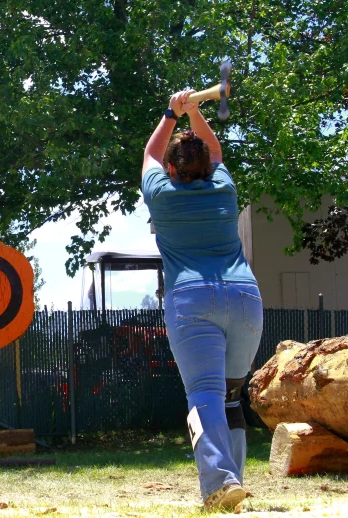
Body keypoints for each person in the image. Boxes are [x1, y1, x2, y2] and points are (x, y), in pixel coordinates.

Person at [141, 90, 263, 510]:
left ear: (172, 170)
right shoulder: (224, 189)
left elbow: (150, 153)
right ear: (208, 167)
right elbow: (215, 150)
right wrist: (194, 112)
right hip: (244, 297)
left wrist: (171, 113)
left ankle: (220, 482)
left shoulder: (161, 193)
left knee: (204, 395)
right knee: (230, 396)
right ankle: (234, 484)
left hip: (191, 299)